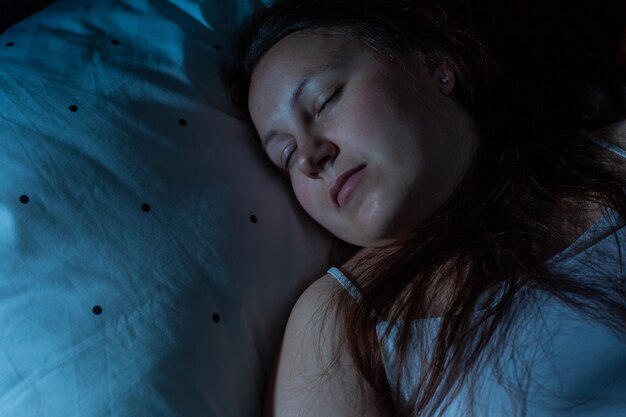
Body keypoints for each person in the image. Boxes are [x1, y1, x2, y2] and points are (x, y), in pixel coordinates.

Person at [222, 0, 626, 416]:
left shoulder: (617, 155)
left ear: (437, 67)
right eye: (286, 155)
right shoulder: (335, 325)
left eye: (324, 100)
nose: (309, 157)